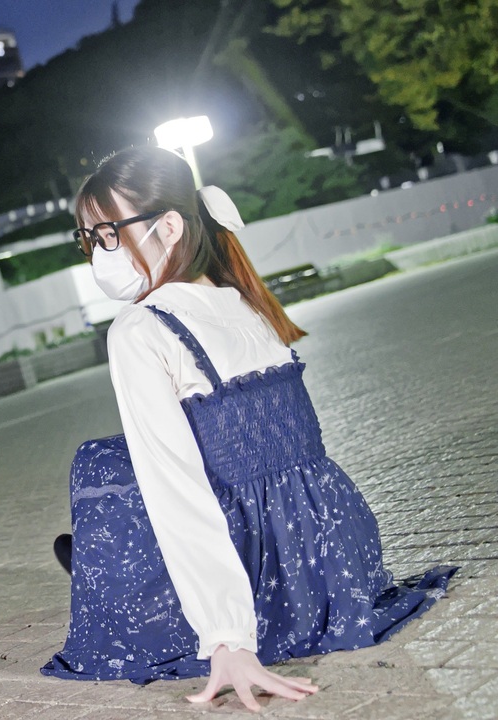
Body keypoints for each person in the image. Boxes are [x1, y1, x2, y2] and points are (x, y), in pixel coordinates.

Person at [41, 146, 456, 710]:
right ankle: (100, 565)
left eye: (109, 233)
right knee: (138, 456)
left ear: (168, 227)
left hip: (261, 566)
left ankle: (104, 576)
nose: (100, 253)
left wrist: (227, 638)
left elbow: (177, 490)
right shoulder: (244, 298)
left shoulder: (140, 328)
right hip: (334, 552)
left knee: (103, 462)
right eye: (90, 239)